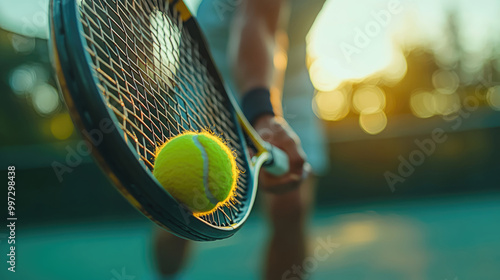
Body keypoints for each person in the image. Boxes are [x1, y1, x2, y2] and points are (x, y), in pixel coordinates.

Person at [154, 0, 328, 279]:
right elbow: (258, 17)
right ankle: (166, 267)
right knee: (182, 206)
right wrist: (263, 114)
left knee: (291, 206)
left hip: (289, 64)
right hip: (208, 67)